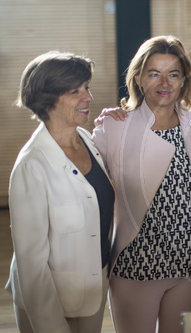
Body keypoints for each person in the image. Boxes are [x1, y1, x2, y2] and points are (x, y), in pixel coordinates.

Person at [92, 36, 191, 333]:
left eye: (173, 74)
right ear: (139, 78)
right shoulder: (113, 127)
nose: (164, 83)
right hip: (135, 266)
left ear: (184, 81)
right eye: (154, 73)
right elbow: (93, 194)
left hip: (188, 265)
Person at [6, 51, 114, 332]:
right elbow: (32, 267)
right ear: (48, 99)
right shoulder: (32, 165)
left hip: (92, 291)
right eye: (75, 91)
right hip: (49, 305)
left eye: (87, 88)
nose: (88, 97)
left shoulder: (87, 140)